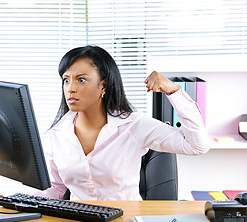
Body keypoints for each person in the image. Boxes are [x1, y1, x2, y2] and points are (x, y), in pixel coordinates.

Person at [35, 45, 210, 201]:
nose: (70, 88)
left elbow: (197, 146)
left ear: (103, 85)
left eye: (81, 80)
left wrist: (174, 91)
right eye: (66, 80)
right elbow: (56, 189)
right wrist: (15, 201)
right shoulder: (57, 134)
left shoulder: (134, 125)